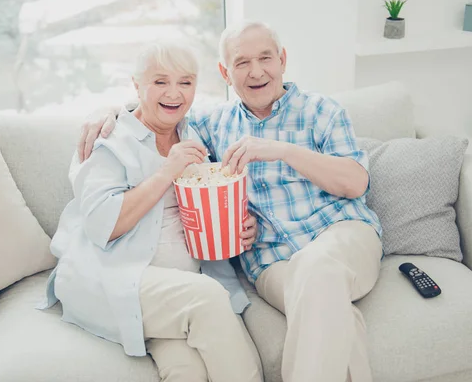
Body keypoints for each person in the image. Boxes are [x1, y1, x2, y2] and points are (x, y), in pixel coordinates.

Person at [80, 21, 383, 382]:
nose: (256, 71)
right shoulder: (211, 125)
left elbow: (355, 183)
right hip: (273, 264)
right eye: (241, 63)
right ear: (225, 73)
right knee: (333, 311)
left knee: (320, 269)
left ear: (282, 60)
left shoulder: (322, 111)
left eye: (265, 58)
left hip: (340, 236)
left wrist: (283, 151)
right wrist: (109, 112)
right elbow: (160, 113)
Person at [40, 40, 263, 382]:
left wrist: (240, 223)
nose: (174, 93)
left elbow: (213, 195)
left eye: (185, 82)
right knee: (207, 300)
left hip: (177, 286)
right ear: (137, 85)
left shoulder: (194, 131)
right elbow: (104, 226)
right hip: (118, 276)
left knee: (187, 371)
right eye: (160, 82)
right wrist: (166, 172)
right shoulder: (110, 140)